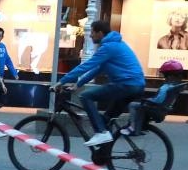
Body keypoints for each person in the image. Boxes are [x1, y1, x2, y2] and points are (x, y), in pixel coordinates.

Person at [59, 18, 146, 147]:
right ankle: (104, 154)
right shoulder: (116, 44)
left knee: (85, 96)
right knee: (106, 119)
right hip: (136, 86)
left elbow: (86, 65)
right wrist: (78, 84)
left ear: (100, 33)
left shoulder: (108, 47)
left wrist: (61, 81)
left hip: (126, 85)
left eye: (92, 32)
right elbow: (98, 69)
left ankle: (100, 132)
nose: (90, 35)